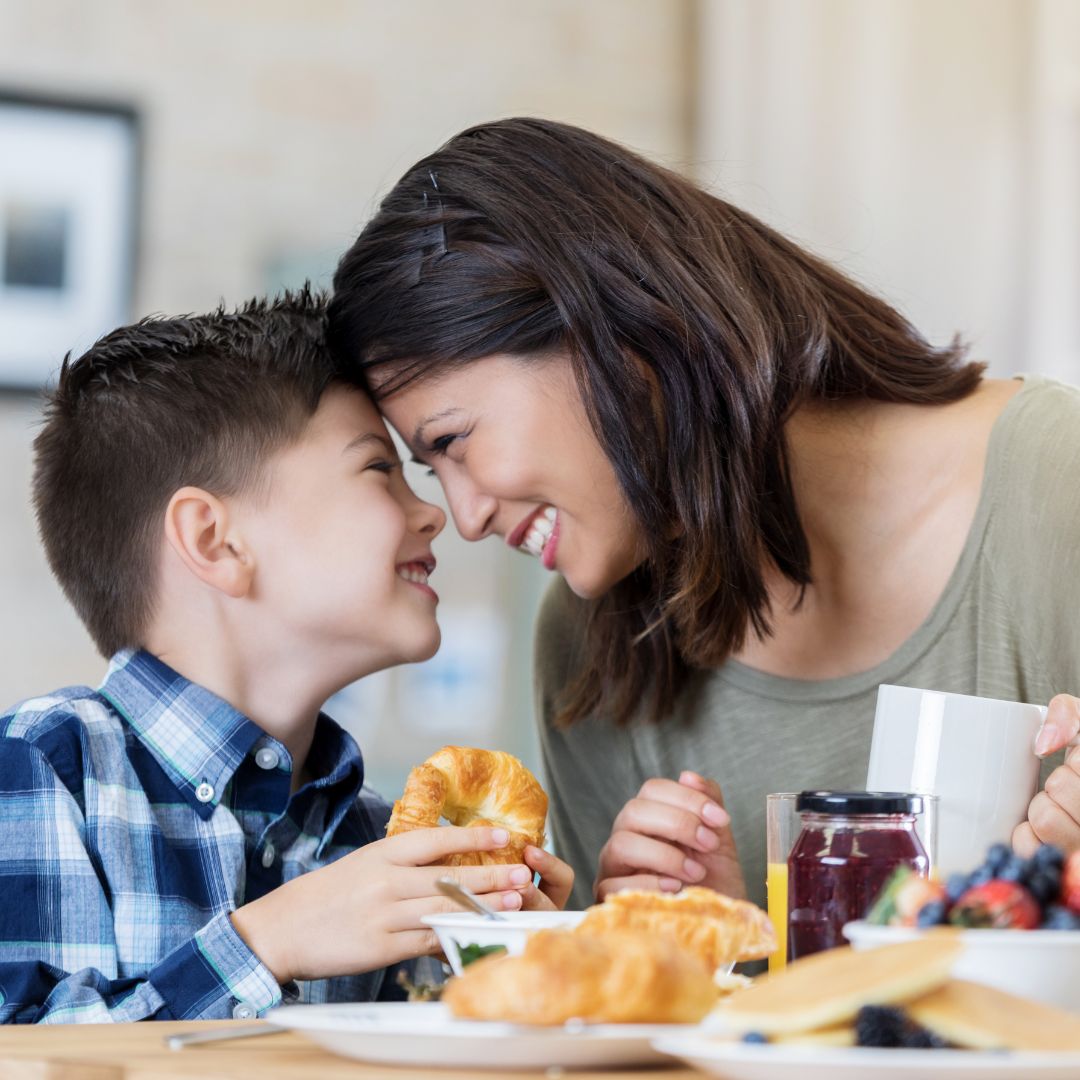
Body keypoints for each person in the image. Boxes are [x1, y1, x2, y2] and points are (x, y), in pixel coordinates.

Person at [327, 117, 1080, 912]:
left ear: (606, 325)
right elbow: (679, 1030)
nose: (467, 515)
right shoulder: (594, 651)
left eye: (453, 440)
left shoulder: (1052, 486)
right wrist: (693, 943)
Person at [0, 290, 572, 1023]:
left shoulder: (373, 834)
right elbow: (24, 1048)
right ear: (216, 541)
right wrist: (268, 941)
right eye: (378, 470)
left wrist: (515, 954)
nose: (437, 512)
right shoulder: (44, 766)